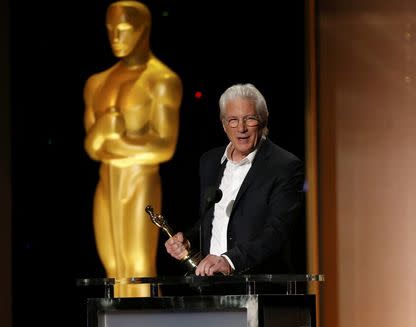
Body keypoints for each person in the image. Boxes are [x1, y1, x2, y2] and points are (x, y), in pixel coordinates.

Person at [83, 0, 182, 297]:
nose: (115, 37)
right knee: (113, 266)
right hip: (107, 178)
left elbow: (164, 147)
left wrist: (113, 140)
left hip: (140, 178)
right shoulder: (96, 83)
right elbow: (91, 147)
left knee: (139, 265)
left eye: (124, 29)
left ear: (143, 30)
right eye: (110, 29)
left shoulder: (161, 80)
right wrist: (103, 131)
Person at [165, 83, 303, 277]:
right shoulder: (210, 162)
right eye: (233, 120)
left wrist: (229, 261)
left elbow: (277, 230)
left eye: (250, 119)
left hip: (259, 285)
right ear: (223, 124)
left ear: (263, 120)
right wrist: (188, 240)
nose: (241, 128)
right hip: (210, 284)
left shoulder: (284, 166)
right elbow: (214, 217)